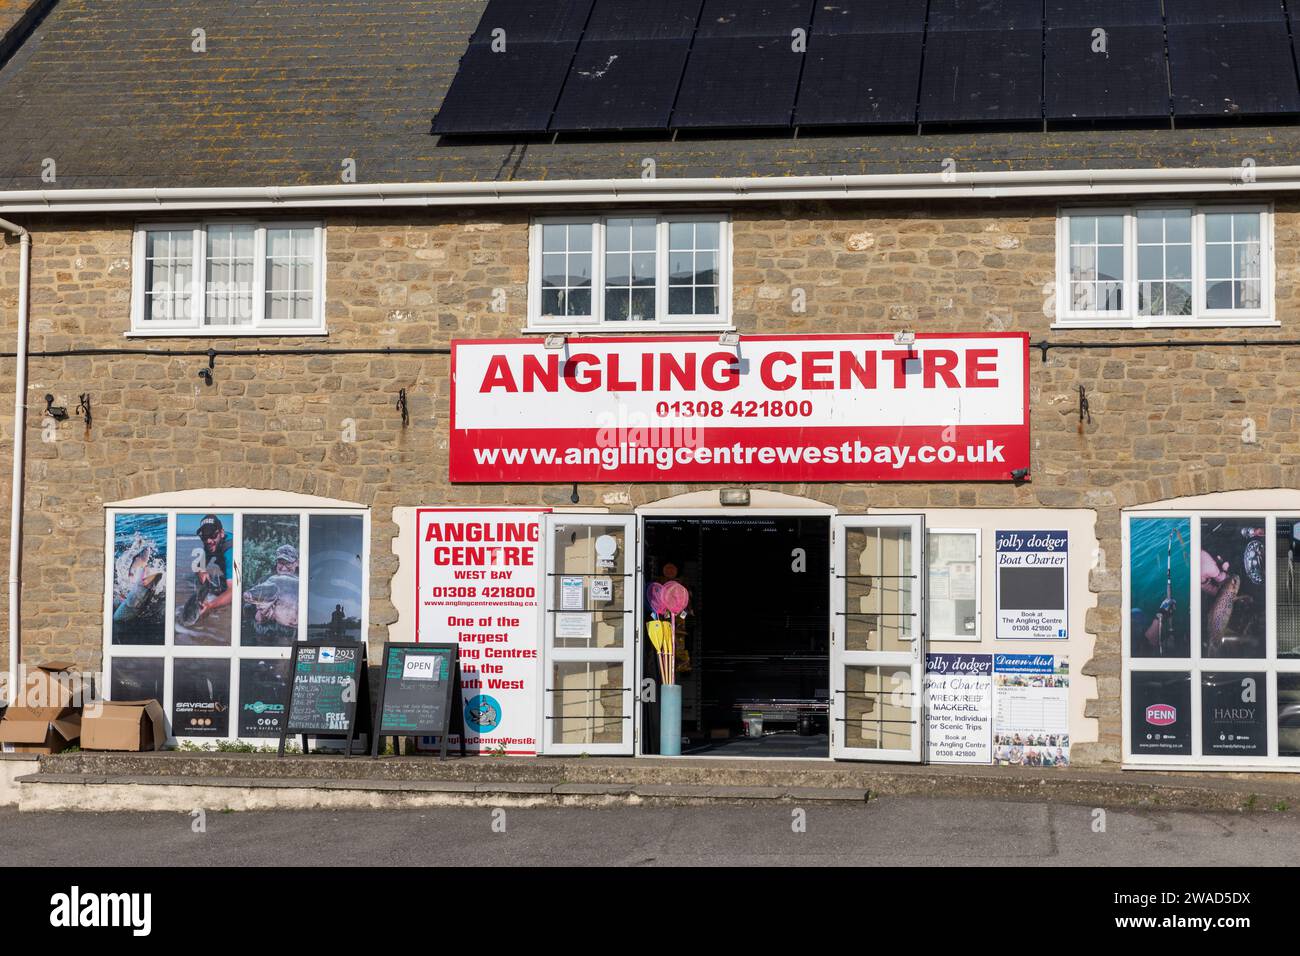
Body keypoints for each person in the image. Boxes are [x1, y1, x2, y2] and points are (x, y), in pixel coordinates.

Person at [189, 514, 234, 623]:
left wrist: (211, 605)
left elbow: (234, 591)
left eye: (213, 535)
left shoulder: (231, 549)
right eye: (204, 537)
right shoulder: (209, 544)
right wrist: (202, 572)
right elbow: (198, 567)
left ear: (222, 533)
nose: (208, 540)